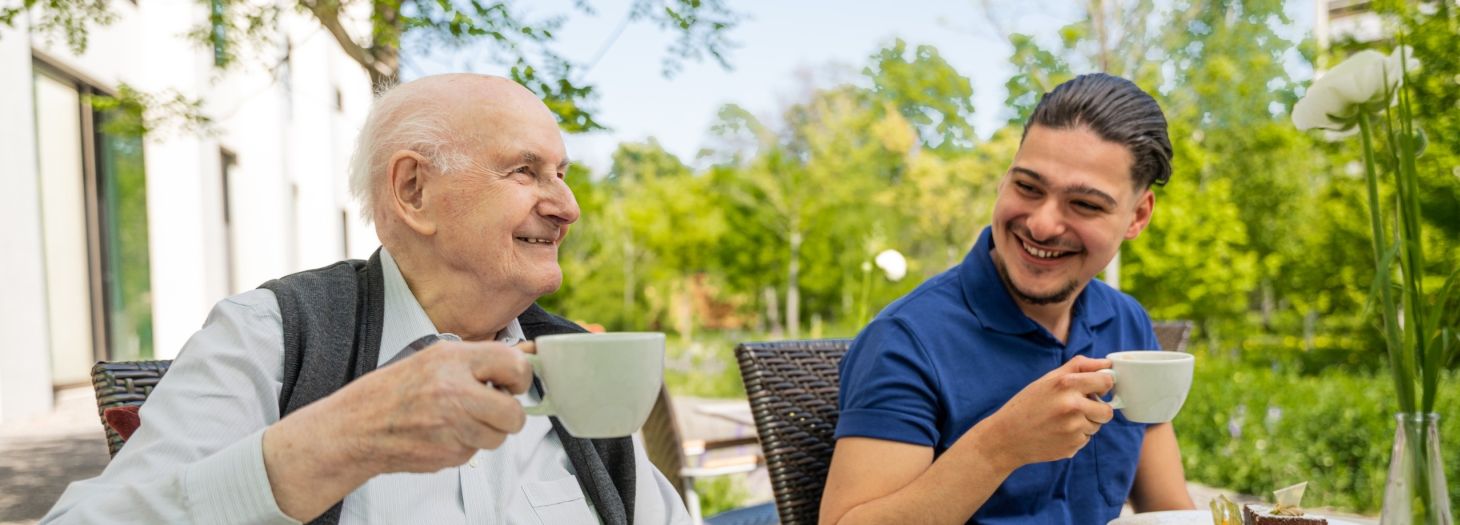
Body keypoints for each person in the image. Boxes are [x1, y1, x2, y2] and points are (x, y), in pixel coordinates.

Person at [43, 74, 690, 525]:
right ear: (412, 190)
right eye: (524, 170)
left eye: (562, 173)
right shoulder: (271, 334)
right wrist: (340, 439)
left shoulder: (572, 355)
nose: (567, 206)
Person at [820, 73, 1196, 524]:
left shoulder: (1126, 322)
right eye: (1028, 188)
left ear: (1137, 216)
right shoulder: (907, 340)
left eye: (1085, 205)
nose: (1041, 225)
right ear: (1004, 181)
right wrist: (1001, 446)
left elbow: (1171, 512)